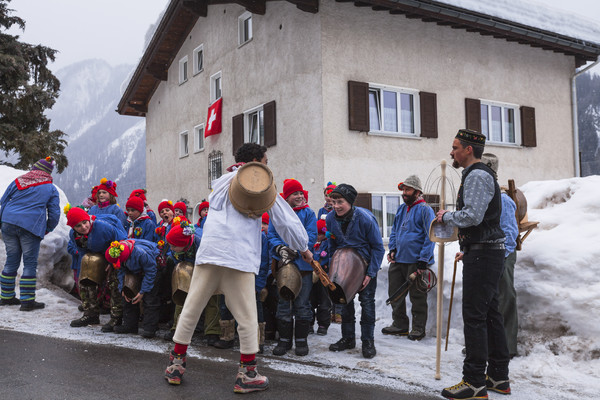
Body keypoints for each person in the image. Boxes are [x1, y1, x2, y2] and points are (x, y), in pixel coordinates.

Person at [164, 143, 312, 393]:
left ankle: (176, 365)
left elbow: (215, 204)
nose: (267, 165)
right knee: (246, 318)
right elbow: (285, 220)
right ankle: (247, 374)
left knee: (191, 308)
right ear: (255, 162)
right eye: (265, 160)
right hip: (239, 257)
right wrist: (304, 247)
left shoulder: (222, 181)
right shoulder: (262, 183)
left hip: (210, 254)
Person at [436, 129, 511, 399]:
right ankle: (499, 377)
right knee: (490, 315)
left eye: (455, 147)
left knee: (476, 318)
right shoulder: (479, 174)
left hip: (484, 255)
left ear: (469, 150)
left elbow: (472, 216)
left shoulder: (477, 175)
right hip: (484, 252)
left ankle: (474, 382)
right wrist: (469, 248)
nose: (452, 152)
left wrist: (446, 216)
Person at [326, 184, 385, 359]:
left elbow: (378, 248)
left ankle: (368, 342)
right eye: (333, 201)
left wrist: (370, 273)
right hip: (343, 267)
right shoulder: (330, 218)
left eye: (340, 202)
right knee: (344, 303)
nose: (336, 206)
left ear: (350, 202)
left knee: (367, 304)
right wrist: (333, 267)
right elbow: (332, 244)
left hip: (365, 266)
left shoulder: (365, 218)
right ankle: (348, 338)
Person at [0, 157, 60, 311]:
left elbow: (4, 200)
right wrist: (48, 228)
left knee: (11, 260)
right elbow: (54, 213)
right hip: (31, 226)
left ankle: (6, 297)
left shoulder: (18, 181)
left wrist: (3, 220)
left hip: (8, 222)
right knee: (29, 263)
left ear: (34, 168)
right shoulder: (50, 187)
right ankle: (27, 302)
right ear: (48, 172)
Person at [382, 175, 435, 341]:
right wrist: (392, 249)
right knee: (395, 293)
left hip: (416, 261)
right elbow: (395, 231)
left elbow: (430, 236)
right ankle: (400, 324)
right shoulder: (401, 209)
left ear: (417, 192)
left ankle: (418, 328)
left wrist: (423, 259)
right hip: (399, 260)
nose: (404, 193)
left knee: (417, 296)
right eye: (403, 190)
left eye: (408, 190)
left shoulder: (426, 210)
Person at [269, 178, 317, 357]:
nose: (299, 196)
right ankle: (284, 340)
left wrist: (297, 250)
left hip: (303, 266)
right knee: (283, 303)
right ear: (287, 197)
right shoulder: (278, 214)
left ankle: (301, 341)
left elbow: (311, 236)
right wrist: (281, 248)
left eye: (300, 193)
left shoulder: (308, 214)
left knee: (303, 304)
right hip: (283, 265)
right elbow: (272, 235)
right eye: (294, 193)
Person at [481, 153, 519, 359]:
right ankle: (485, 344)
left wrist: (500, 258)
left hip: (502, 256)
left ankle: (507, 347)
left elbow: (510, 233)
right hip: (487, 256)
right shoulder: (482, 198)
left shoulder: (503, 200)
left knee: (505, 298)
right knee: (486, 302)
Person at [67, 206, 128, 329]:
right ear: (73, 228)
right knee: (85, 279)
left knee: (114, 282)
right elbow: (83, 252)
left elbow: (122, 241)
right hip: (97, 254)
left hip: (117, 252)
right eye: (79, 226)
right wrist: (85, 271)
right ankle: (91, 313)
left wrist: (111, 262)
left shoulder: (102, 227)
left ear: (88, 219)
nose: (83, 227)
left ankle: (117, 317)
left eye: (85, 222)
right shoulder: (74, 235)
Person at [105, 239, 160, 337]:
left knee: (150, 298)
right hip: (135, 270)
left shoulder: (141, 253)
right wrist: (122, 288)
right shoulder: (120, 256)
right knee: (127, 293)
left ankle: (150, 328)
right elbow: (121, 271)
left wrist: (143, 291)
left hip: (153, 269)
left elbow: (151, 272)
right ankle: (130, 325)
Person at [310, 218, 332, 335]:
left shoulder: (328, 244)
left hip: (324, 276)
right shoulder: (313, 244)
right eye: (316, 234)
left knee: (324, 301)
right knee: (310, 300)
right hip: (312, 275)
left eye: (320, 234)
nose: (318, 236)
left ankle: (323, 324)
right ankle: (309, 323)